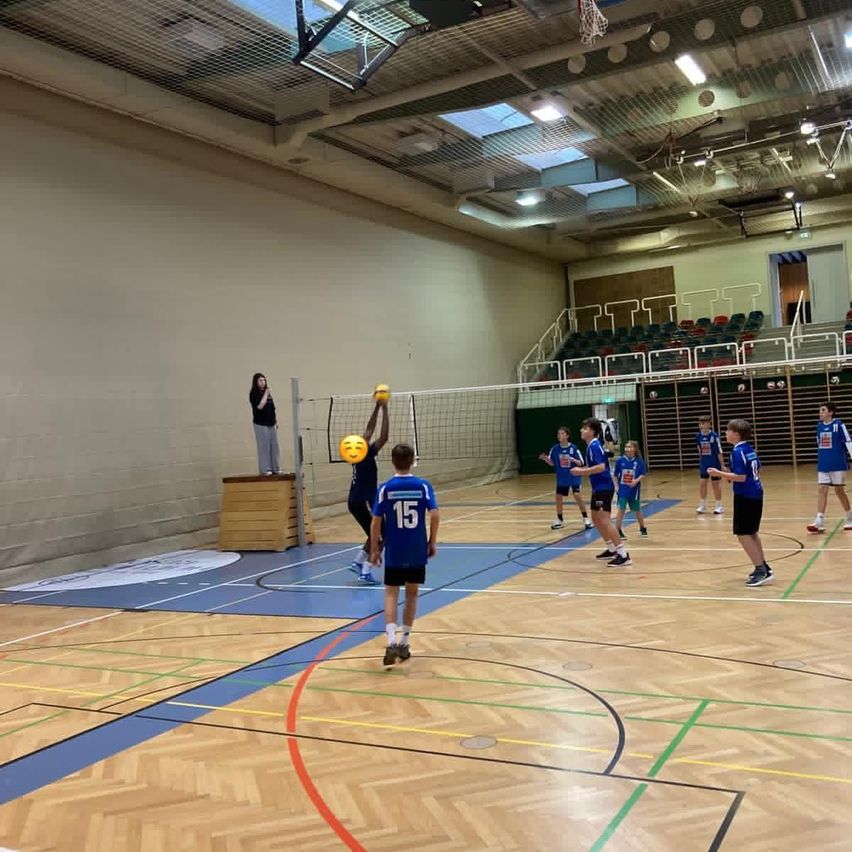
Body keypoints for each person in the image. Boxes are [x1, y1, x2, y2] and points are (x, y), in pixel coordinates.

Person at [370, 443, 440, 667]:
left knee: (391, 593)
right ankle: (404, 642)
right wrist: (432, 541)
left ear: (392, 461)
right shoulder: (423, 486)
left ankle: (391, 642)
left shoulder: (385, 488)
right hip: (417, 548)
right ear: (413, 461)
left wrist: (374, 548)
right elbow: (435, 515)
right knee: (412, 594)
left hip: (395, 550)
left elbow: (375, 522)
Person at [707, 419, 772, 587]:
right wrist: (732, 476)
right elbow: (755, 469)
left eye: (728, 431)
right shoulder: (749, 449)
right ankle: (764, 566)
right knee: (752, 532)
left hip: (746, 495)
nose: (726, 433)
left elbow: (742, 477)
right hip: (756, 493)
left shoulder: (736, 452)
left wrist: (719, 473)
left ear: (736, 434)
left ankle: (760, 570)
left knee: (743, 534)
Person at [567, 418, 630, 567]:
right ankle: (611, 548)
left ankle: (623, 555)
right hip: (598, 487)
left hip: (604, 487)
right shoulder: (591, 446)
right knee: (595, 518)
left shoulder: (594, 446)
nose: (582, 431)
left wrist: (581, 472)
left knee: (605, 520)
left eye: (585, 428)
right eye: (582, 428)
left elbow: (602, 467)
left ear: (593, 432)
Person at [347, 398, 390, 583]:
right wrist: (384, 409)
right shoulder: (366, 452)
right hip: (365, 500)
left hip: (353, 501)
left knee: (374, 533)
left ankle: (358, 561)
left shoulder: (356, 453)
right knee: (384, 536)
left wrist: (377, 407)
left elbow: (369, 430)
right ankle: (366, 569)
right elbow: (383, 436)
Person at [807, 402, 852, 533]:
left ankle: (850, 517)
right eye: (820, 410)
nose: (820, 412)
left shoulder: (839, 425)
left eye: (823, 410)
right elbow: (819, 443)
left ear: (831, 413)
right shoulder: (819, 426)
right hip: (823, 463)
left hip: (838, 463)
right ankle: (819, 521)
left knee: (839, 491)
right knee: (822, 489)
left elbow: (848, 441)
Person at [538, 427, 593, 531]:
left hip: (574, 475)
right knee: (558, 496)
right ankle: (560, 519)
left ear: (567, 435)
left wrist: (572, 459)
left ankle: (586, 518)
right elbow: (552, 463)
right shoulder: (555, 448)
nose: (559, 435)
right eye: (558, 434)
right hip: (562, 477)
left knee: (576, 495)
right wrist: (545, 459)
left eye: (562, 433)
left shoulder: (573, 448)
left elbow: (581, 463)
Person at [613, 440, 647, 540]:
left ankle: (642, 527)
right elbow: (615, 475)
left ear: (635, 449)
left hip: (634, 490)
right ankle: (618, 530)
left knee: (637, 510)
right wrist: (616, 486)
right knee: (621, 510)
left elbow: (642, 474)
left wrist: (636, 481)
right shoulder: (620, 460)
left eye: (630, 447)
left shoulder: (639, 461)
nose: (628, 449)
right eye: (626, 447)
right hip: (622, 489)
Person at [249, 373, 280, 475]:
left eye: (264, 380)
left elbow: (272, 408)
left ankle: (276, 467)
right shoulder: (254, 394)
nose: (263, 382)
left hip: (271, 423)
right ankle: (265, 469)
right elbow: (260, 406)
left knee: (274, 446)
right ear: (256, 382)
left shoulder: (268, 394)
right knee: (264, 446)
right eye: (260, 380)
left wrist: (276, 421)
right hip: (260, 423)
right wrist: (266, 394)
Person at [696, 415, 725, 514]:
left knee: (715, 484)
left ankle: (719, 506)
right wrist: (701, 462)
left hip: (714, 464)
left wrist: (722, 465)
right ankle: (702, 505)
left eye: (704, 423)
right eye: (700, 424)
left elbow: (719, 451)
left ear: (709, 424)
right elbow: (699, 450)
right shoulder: (698, 436)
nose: (702, 425)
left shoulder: (714, 436)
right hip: (704, 464)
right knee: (702, 484)